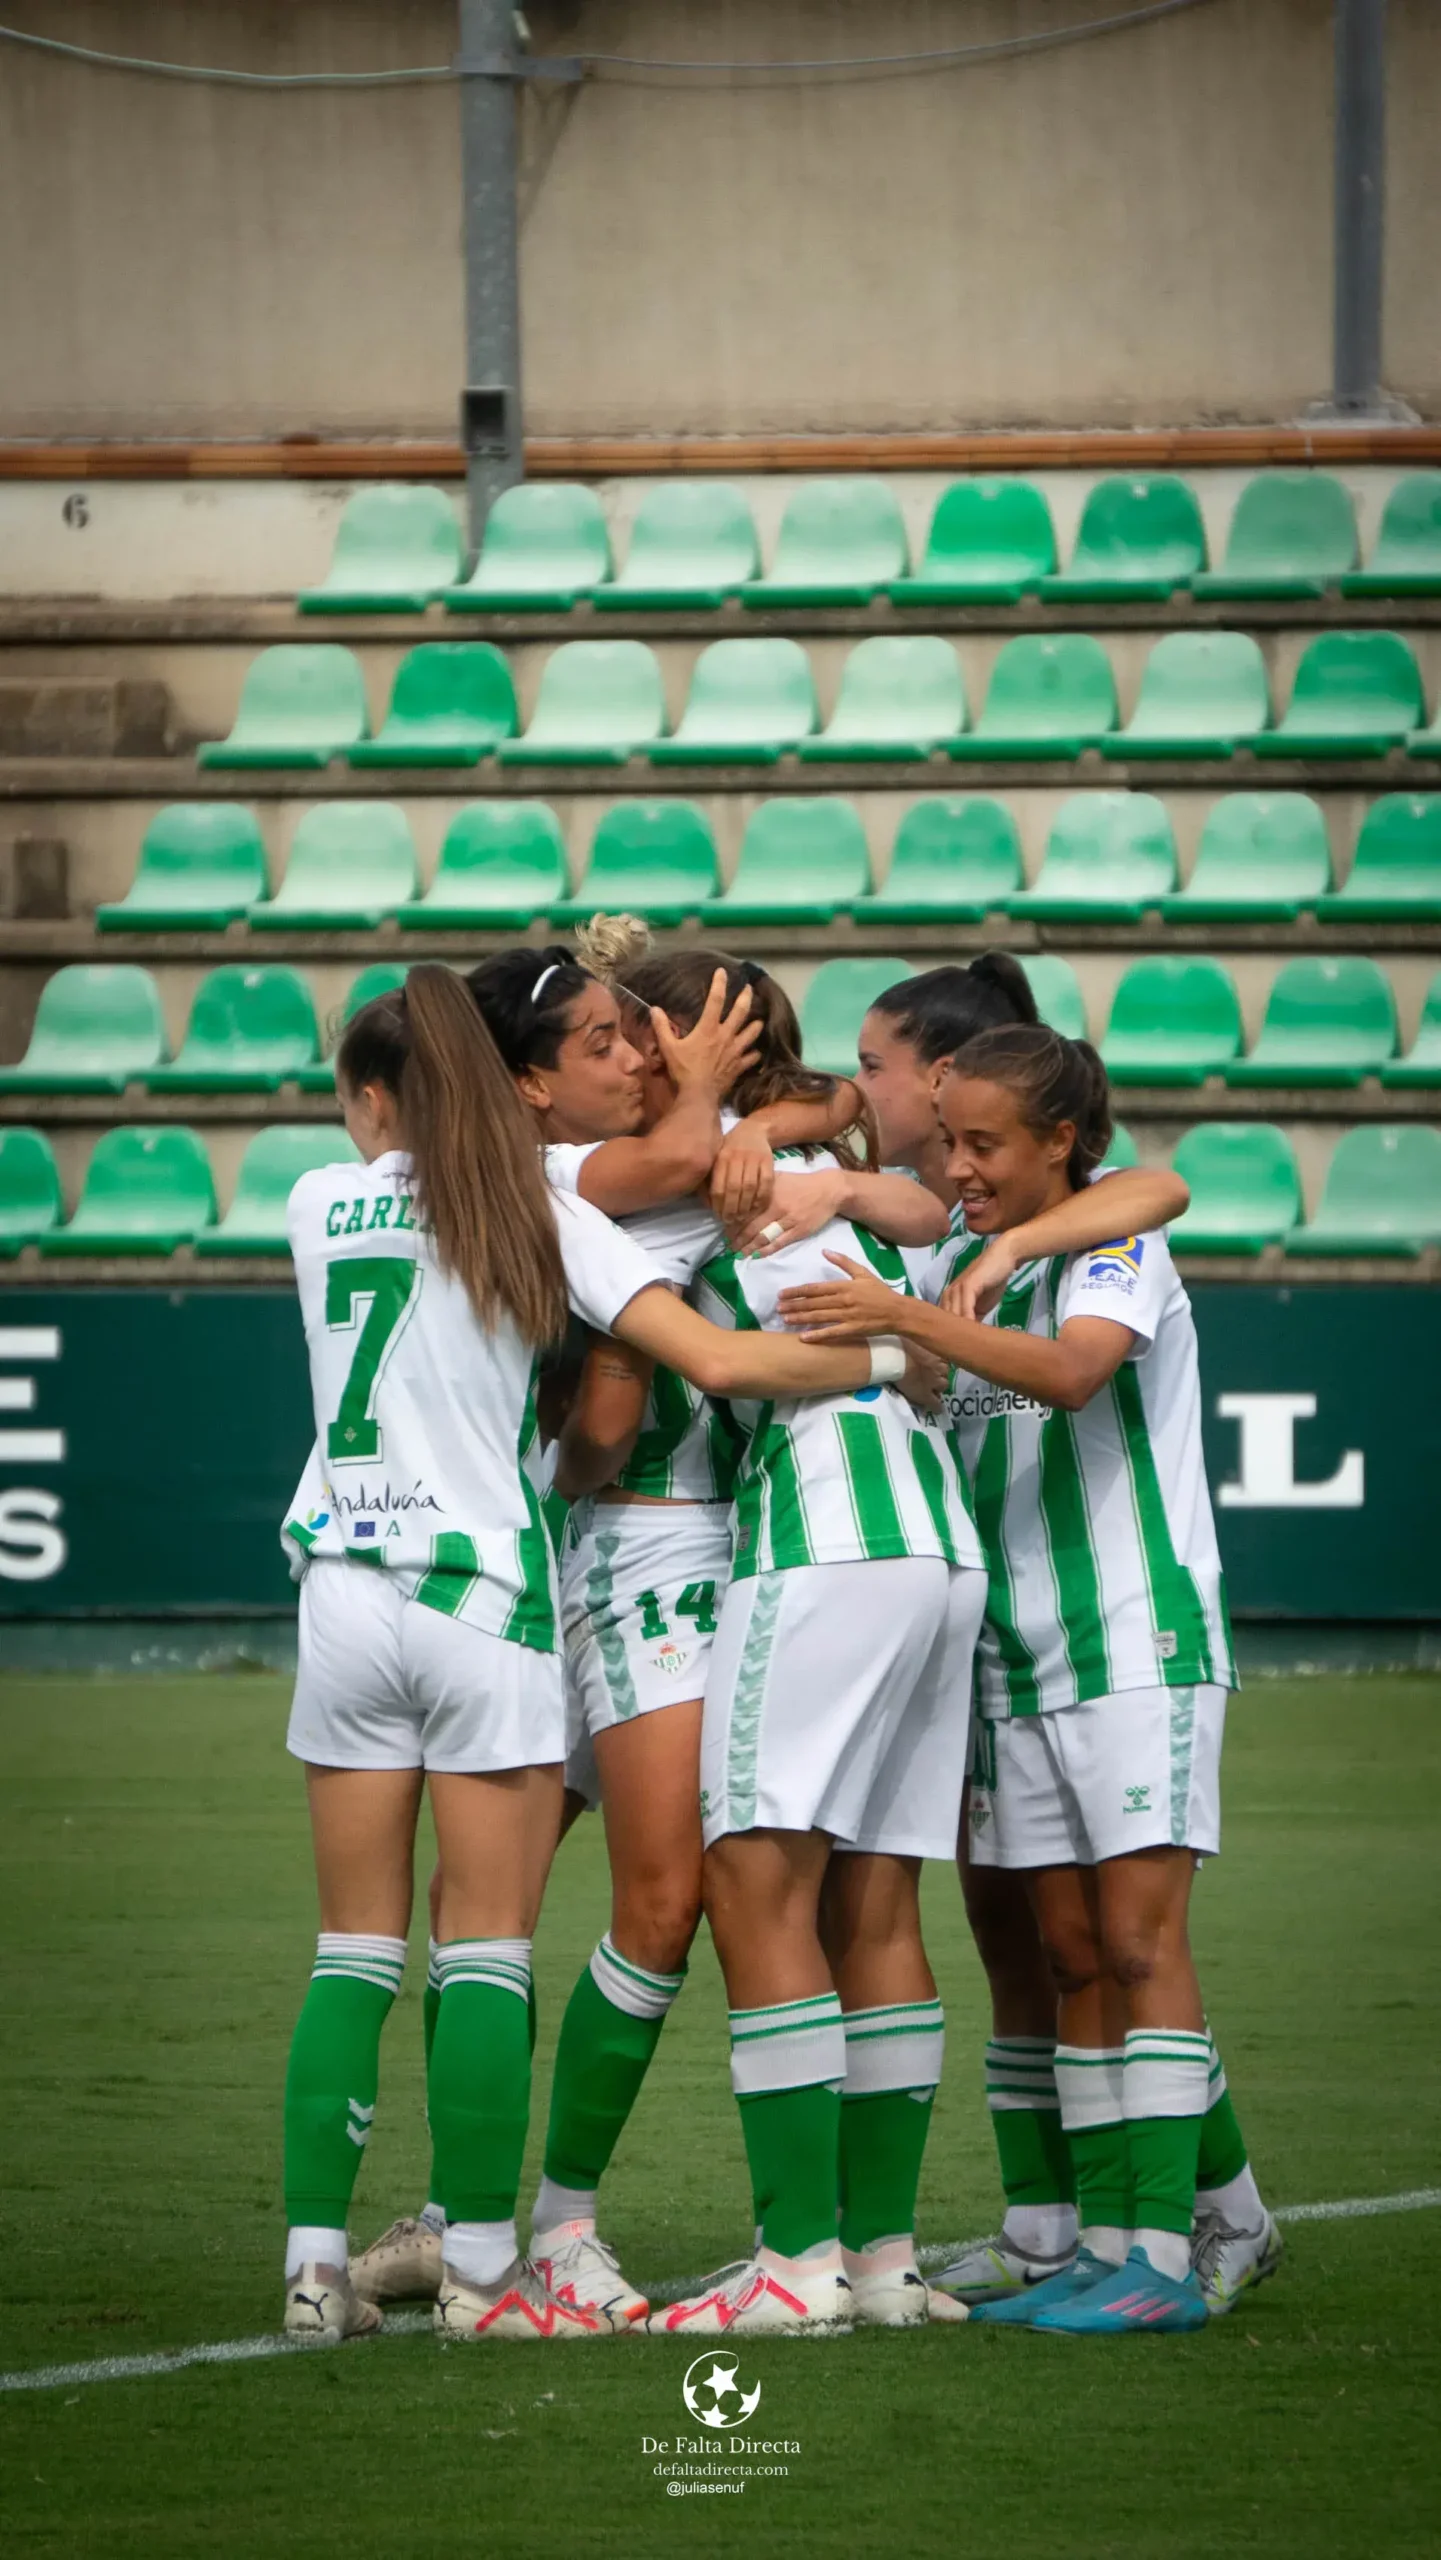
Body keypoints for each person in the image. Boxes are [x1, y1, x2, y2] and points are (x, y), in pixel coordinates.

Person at [278, 965, 940, 2345]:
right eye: (607, 1038)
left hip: (480, 1573)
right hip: (593, 1561)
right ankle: (537, 2235)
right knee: (600, 1911)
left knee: (492, 1919)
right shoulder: (564, 1179)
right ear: (524, 1086)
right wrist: (740, 1124)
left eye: (649, 1032)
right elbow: (710, 1187)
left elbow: (856, 1150)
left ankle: (446, 2236)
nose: (640, 1053)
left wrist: (813, 1156)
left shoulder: (350, 1196)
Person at [777, 1023, 1280, 2334]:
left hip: (1136, 1640)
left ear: (1062, 1139)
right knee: (1066, 1955)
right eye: (950, 1142)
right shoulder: (955, 1254)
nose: (962, 1167)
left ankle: (1166, 2260)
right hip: (1010, 1656)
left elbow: (1071, 1374)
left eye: (985, 1143)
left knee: (1136, 1941)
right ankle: (1102, 2244)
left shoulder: (1114, 1252)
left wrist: (904, 1313)